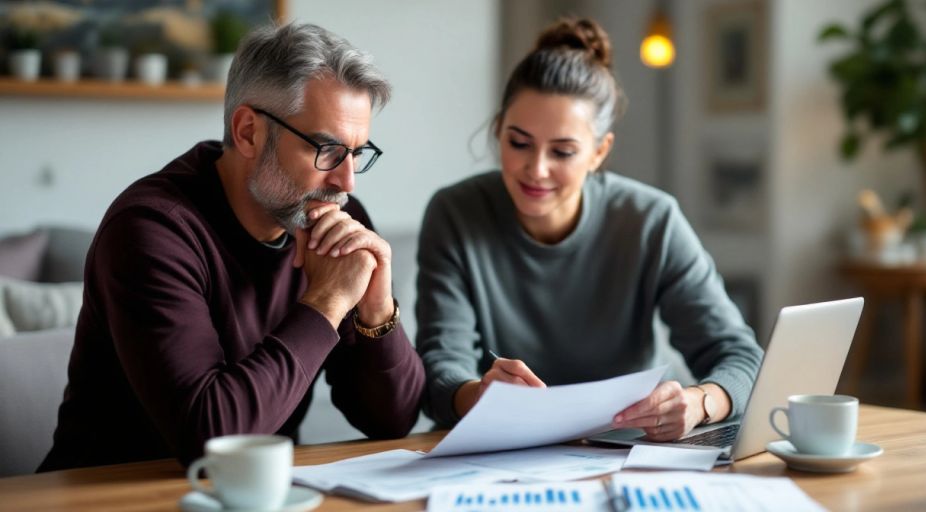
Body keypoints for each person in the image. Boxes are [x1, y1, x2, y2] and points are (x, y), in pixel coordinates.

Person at [39, 23, 424, 472]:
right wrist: (328, 302)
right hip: (106, 497)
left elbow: (392, 420)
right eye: (327, 150)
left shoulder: (339, 221)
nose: (346, 181)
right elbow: (210, 439)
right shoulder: (151, 230)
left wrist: (376, 310)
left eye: (358, 153)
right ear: (247, 132)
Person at [416, 18, 763, 441]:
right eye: (519, 143)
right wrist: (479, 394)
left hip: (629, 452)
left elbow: (741, 355)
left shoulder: (652, 220)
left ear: (599, 152)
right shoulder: (455, 213)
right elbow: (439, 371)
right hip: (500, 454)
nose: (537, 169)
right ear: (498, 131)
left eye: (562, 151)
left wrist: (699, 402)